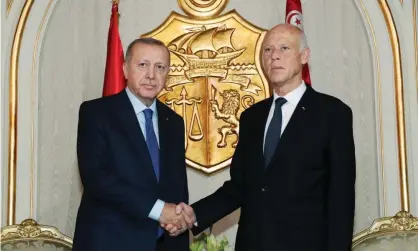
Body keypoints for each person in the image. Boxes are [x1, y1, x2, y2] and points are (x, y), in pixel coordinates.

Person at [167, 23, 356, 251]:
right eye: (268, 50)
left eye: (284, 48)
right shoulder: (252, 117)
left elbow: (341, 198)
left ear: (304, 56)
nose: (274, 56)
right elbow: (239, 187)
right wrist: (194, 214)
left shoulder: (333, 114)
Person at [72, 37, 190, 251]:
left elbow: (177, 185)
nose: (151, 75)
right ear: (125, 69)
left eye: (160, 67)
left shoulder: (173, 121)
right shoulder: (96, 113)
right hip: (110, 242)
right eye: (143, 65)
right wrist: (159, 209)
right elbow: (96, 178)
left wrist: (179, 219)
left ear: (167, 74)